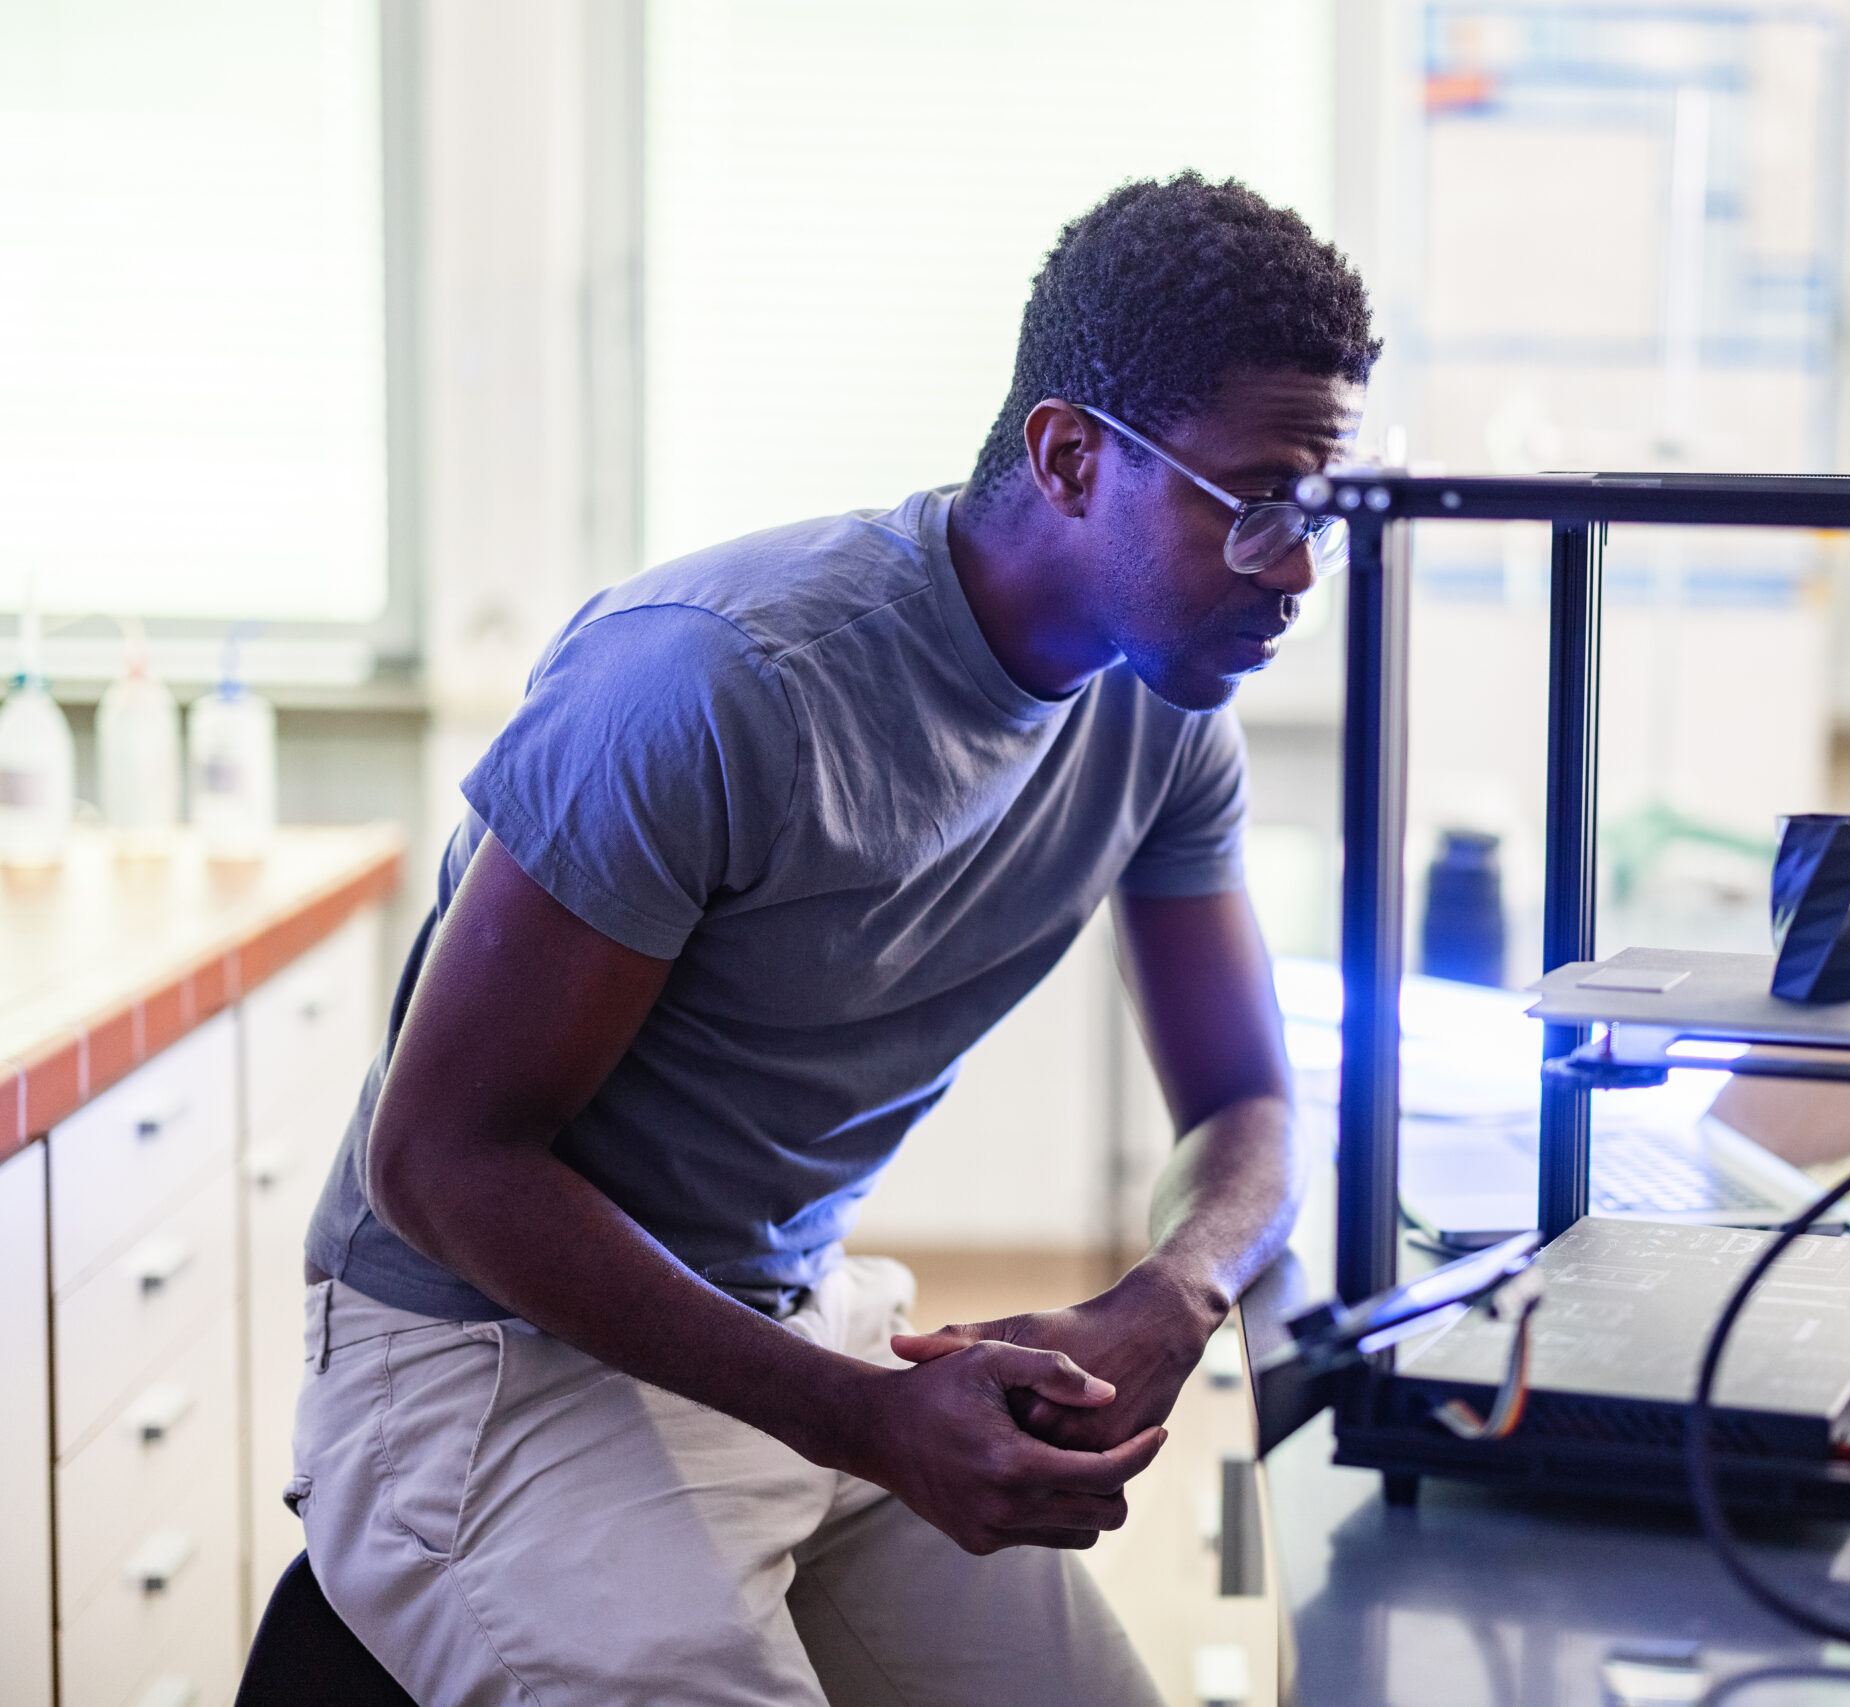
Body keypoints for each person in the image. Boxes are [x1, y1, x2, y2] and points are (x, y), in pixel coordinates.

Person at [291, 173, 1378, 1707]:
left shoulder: (1164, 717)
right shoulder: (712, 684)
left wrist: (1171, 1296)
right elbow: (438, 1163)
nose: (1299, 573)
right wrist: (863, 1421)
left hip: (777, 1325)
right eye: (1257, 506)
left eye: (1318, 514)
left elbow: (1249, 1105)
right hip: (480, 1359)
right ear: (1072, 458)